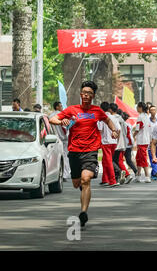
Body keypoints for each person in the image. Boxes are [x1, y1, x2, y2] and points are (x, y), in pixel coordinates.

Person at [49, 81, 119, 228]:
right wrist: (61, 121)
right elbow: (52, 119)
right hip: (74, 151)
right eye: (84, 93)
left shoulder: (97, 111)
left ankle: (83, 213)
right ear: (81, 94)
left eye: (89, 93)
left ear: (93, 96)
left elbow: (108, 120)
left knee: (85, 179)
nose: (86, 95)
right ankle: (83, 188)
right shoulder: (72, 109)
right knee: (77, 183)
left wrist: (113, 130)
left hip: (91, 150)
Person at [98, 102, 120, 188]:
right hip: (113, 142)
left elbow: (99, 130)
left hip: (106, 142)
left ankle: (112, 180)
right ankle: (105, 179)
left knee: (108, 161)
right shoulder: (114, 117)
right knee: (105, 160)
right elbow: (118, 129)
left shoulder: (102, 117)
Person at [110, 104, 133, 184]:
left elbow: (118, 130)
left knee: (114, 160)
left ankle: (123, 173)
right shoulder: (122, 120)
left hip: (116, 142)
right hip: (123, 143)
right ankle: (118, 177)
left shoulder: (114, 118)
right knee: (116, 160)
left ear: (111, 110)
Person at [49, 101, 71, 181]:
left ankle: (55, 174)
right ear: (57, 107)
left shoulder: (50, 116)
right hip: (63, 139)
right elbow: (65, 128)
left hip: (53, 139)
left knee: (54, 157)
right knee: (65, 157)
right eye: (61, 106)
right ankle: (64, 174)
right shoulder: (62, 116)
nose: (62, 108)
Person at [134, 102, 152, 183]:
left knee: (143, 158)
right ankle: (138, 175)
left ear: (140, 108)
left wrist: (132, 136)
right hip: (145, 140)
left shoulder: (140, 117)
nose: (137, 108)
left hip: (142, 141)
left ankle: (147, 176)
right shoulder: (147, 117)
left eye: (137, 107)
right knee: (138, 157)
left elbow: (137, 129)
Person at [122, 112, 138, 176]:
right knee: (128, 159)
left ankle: (135, 171)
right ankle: (135, 171)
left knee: (124, 160)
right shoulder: (129, 124)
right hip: (129, 143)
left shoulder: (123, 124)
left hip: (125, 143)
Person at [148, 104, 157, 180]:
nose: (153, 111)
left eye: (154, 110)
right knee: (152, 158)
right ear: (149, 111)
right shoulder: (147, 121)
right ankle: (156, 172)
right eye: (151, 110)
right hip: (150, 143)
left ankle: (154, 173)